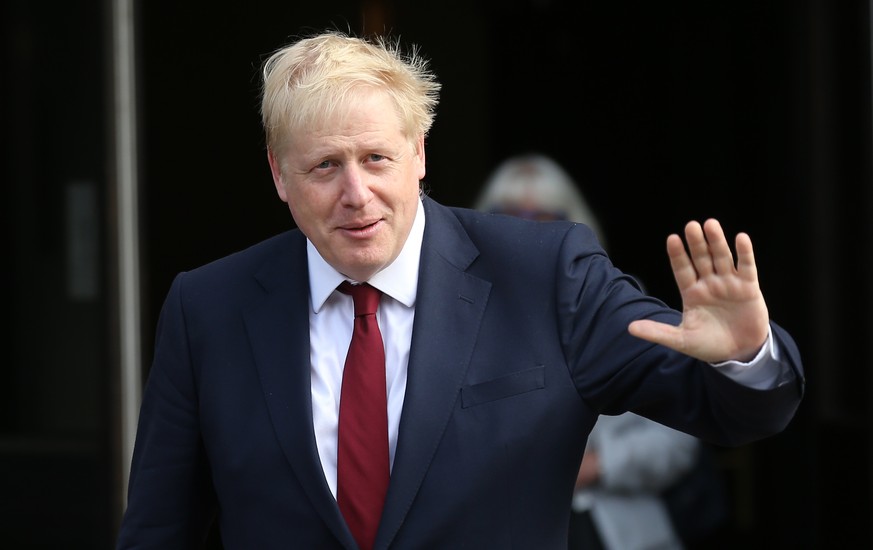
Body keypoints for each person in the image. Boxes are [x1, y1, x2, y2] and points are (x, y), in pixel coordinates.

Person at [115, 30, 804, 550]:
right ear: (278, 176)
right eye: (325, 166)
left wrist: (741, 358)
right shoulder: (209, 307)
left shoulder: (544, 274)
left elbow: (731, 416)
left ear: (418, 154)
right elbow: (157, 527)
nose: (356, 194)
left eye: (376, 158)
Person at [475, 153, 728, 550]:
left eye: (541, 215)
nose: (522, 227)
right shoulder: (458, 310)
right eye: (507, 213)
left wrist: (597, 465)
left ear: (572, 221)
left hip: (619, 530)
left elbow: (679, 440)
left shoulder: (617, 307)